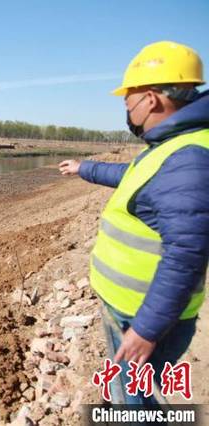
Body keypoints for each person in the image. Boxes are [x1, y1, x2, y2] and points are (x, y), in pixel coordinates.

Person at [59, 41, 209, 405]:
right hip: (131, 307)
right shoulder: (172, 148)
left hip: (142, 314)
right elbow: (135, 176)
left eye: (128, 100)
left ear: (152, 99)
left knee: (134, 399)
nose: (127, 109)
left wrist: (146, 329)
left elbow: (186, 254)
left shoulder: (187, 160)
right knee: (130, 389)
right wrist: (85, 168)